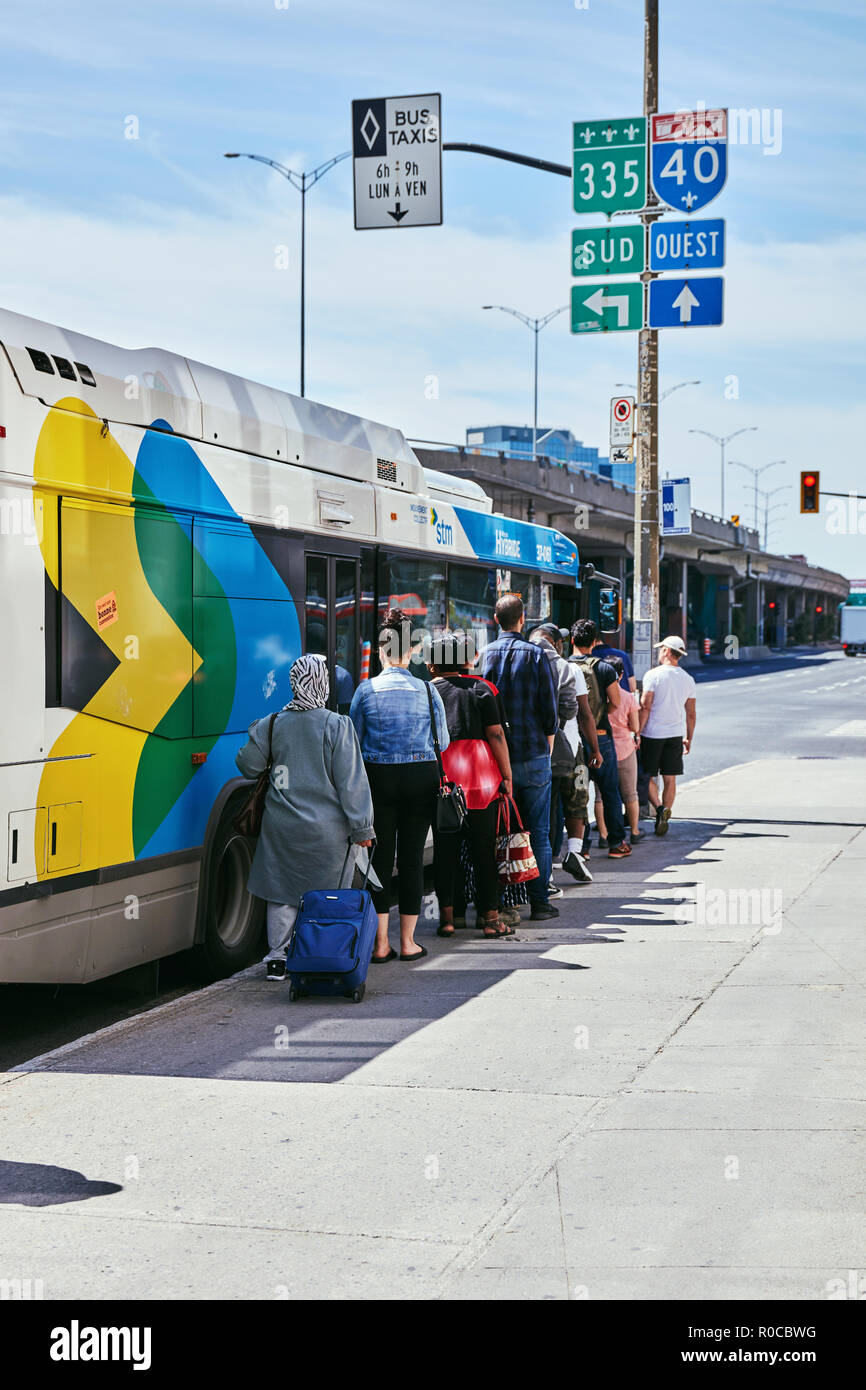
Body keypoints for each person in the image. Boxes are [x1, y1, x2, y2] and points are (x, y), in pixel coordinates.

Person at [235, 653, 375, 981]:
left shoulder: (272, 724)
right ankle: (321, 953)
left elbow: (247, 766)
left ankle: (277, 958)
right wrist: (362, 828)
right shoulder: (337, 726)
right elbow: (351, 783)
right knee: (326, 895)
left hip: (281, 828)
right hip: (329, 833)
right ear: (323, 685)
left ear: (295, 683)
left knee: (282, 893)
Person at [349, 608, 450, 961]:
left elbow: (355, 743)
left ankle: (380, 944)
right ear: (411, 651)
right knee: (410, 858)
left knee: (378, 858)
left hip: (379, 778)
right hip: (420, 777)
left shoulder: (366, 690)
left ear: (380, 650)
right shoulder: (426, 690)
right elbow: (444, 741)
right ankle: (408, 943)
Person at [429, 631, 514, 939]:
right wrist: (507, 775)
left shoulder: (427, 692)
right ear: (465, 661)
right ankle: (490, 918)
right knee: (483, 852)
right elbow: (496, 735)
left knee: (445, 852)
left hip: (443, 782)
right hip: (481, 782)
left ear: (432, 665)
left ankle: (448, 919)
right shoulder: (483, 688)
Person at [480, 595, 559, 921]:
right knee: (537, 832)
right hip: (533, 754)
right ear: (522, 619)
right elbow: (549, 710)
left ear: (496, 620)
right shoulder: (537, 655)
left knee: (499, 830)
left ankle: (496, 903)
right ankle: (539, 902)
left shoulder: (484, 655)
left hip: (496, 761)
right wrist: (547, 746)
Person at [529, 622, 599, 887]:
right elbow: (584, 712)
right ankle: (574, 852)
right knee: (577, 799)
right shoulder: (569, 669)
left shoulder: (526, 667)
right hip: (571, 750)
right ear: (557, 643)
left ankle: (545, 872)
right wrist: (595, 749)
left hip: (536, 750)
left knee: (546, 811)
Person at [569, 619, 631, 858]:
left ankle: (581, 847)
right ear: (595, 642)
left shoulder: (563, 666)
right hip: (602, 738)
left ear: (572, 641)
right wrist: (600, 716)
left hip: (574, 739)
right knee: (609, 792)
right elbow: (615, 702)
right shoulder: (605, 669)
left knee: (579, 791)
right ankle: (616, 843)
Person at [638, 635, 697, 836]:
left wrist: (636, 732)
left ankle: (660, 808)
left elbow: (645, 706)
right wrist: (689, 737)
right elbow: (691, 713)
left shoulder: (653, 675)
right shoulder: (688, 679)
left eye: (661, 648)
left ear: (666, 651)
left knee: (645, 776)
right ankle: (665, 812)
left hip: (651, 733)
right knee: (670, 778)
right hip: (675, 734)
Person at [604, 655, 643, 844]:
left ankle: (603, 835)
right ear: (620, 676)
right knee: (630, 794)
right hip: (626, 749)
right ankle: (634, 831)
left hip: (603, 749)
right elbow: (635, 727)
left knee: (601, 796)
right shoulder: (628, 697)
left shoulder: (599, 698)